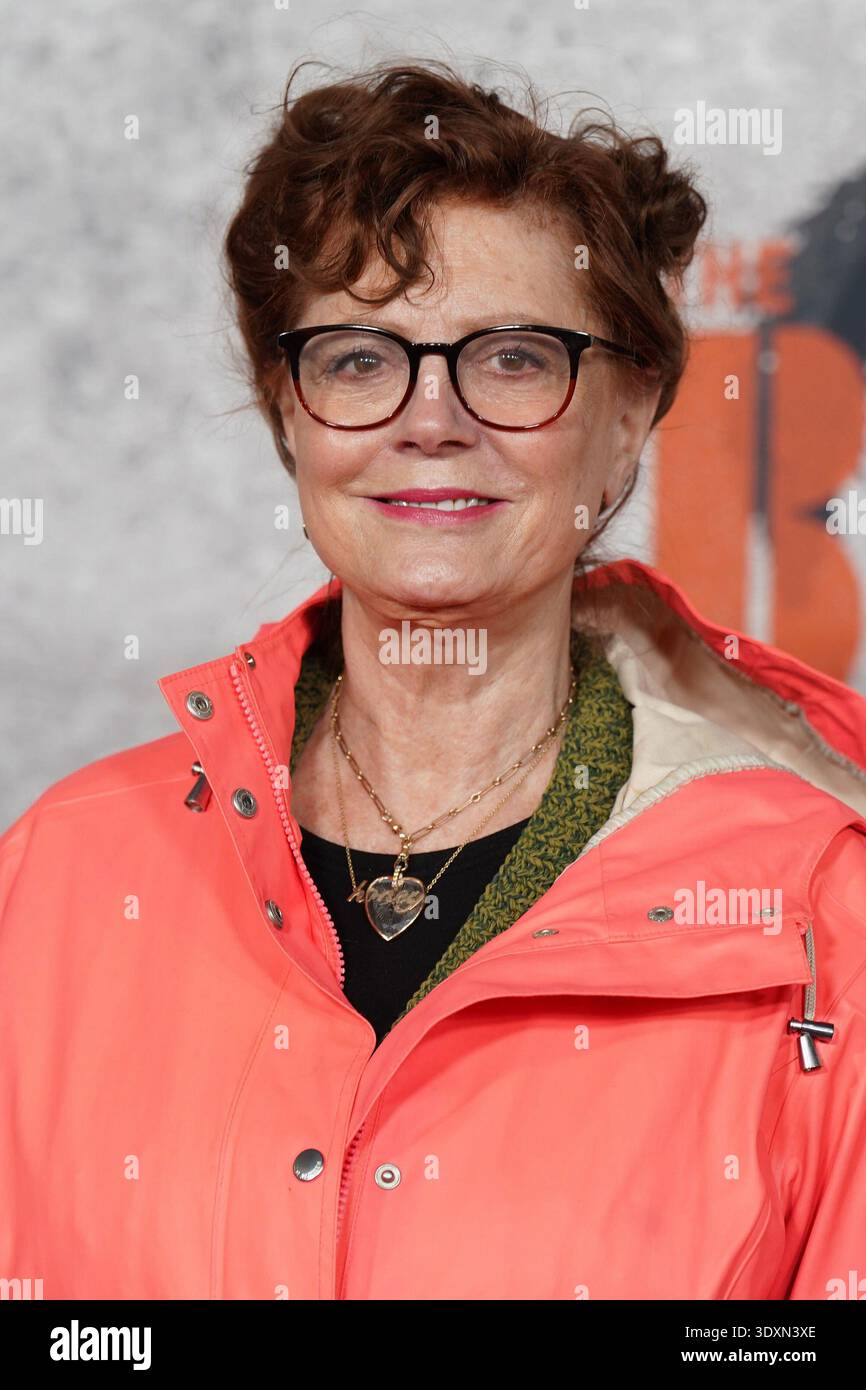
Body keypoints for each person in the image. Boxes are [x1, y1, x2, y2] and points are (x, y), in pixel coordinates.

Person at [2, 59, 866, 1302]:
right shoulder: (58, 876)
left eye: (511, 358)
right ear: (286, 412)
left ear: (625, 418)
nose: (430, 417)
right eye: (359, 359)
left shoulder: (819, 914)